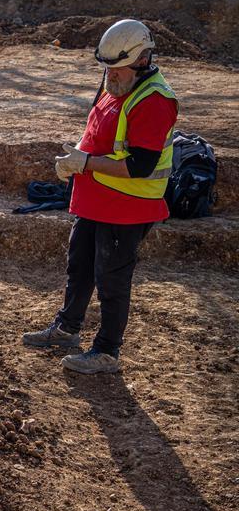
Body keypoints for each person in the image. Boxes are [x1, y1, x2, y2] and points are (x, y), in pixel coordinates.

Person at [23, 19, 178, 374]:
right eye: (107, 68)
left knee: (112, 278)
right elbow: (97, 132)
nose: (111, 75)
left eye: (117, 68)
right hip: (97, 200)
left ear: (142, 60)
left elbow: (140, 165)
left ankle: (107, 351)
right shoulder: (118, 84)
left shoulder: (153, 100)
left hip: (128, 206)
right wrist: (75, 157)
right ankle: (66, 329)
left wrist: (86, 162)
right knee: (80, 267)